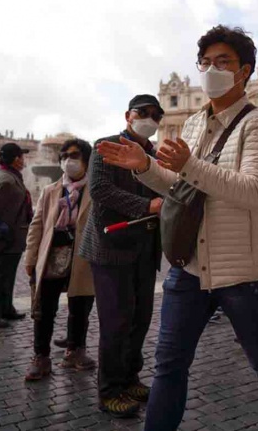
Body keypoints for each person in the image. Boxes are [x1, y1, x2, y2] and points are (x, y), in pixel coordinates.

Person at [97, 25, 258, 431]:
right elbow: (181, 187)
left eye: (222, 62)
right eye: (205, 62)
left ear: (244, 71)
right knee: (168, 363)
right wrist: (146, 167)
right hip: (189, 264)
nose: (211, 69)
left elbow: (255, 190)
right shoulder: (191, 125)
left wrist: (188, 164)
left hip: (242, 271)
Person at [79, 94, 165, 417]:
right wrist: (146, 206)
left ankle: (130, 378)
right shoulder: (105, 146)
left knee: (140, 319)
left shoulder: (155, 154)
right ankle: (109, 390)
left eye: (156, 114)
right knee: (116, 321)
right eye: (144, 112)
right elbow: (99, 189)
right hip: (110, 246)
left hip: (144, 247)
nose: (150, 118)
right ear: (128, 115)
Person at [23, 139, 96, 381]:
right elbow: (36, 226)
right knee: (44, 309)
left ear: (87, 159)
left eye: (74, 155)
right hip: (52, 255)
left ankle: (75, 351)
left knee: (80, 308)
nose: (68, 160)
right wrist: (30, 257)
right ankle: (40, 357)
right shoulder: (50, 190)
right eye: (63, 156)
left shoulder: (96, 191)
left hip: (83, 258)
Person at [0, 143, 33, 328]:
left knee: (8, 275)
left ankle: (6, 308)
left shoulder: (12, 177)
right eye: (21, 156)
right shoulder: (6, 180)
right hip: (5, 236)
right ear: (15, 159)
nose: (23, 160)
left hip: (14, 236)